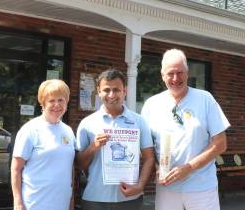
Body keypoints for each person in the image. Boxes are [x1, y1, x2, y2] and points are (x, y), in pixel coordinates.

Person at [141, 49, 230, 210]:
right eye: (170, 73)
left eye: (180, 72)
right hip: (166, 187)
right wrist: (157, 167)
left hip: (201, 188)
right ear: (162, 75)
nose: (175, 78)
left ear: (187, 73)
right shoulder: (151, 105)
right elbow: (147, 147)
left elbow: (221, 143)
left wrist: (188, 168)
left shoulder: (205, 99)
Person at [76, 69, 154, 210]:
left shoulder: (139, 122)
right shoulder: (87, 123)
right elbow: (79, 164)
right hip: (95, 198)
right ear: (98, 91)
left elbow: (149, 158)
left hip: (129, 198)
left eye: (116, 90)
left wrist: (140, 186)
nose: (111, 95)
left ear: (125, 90)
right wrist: (93, 147)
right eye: (106, 90)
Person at [11, 79, 75, 210]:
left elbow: (70, 168)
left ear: (66, 102)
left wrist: (71, 200)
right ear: (43, 103)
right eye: (51, 100)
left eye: (61, 100)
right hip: (35, 203)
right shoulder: (30, 130)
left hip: (62, 203)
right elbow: (16, 169)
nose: (57, 104)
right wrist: (17, 202)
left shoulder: (68, 131)